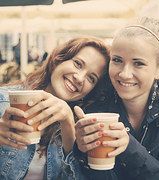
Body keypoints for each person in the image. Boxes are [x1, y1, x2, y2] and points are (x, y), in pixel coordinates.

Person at [74, 17, 159, 180]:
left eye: (138, 63)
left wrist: (130, 148)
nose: (124, 73)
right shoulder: (96, 107)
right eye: (117, 60)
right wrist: (82, 151)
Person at [0, 36, 110, 180]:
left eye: (91, 78)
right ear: (58, 59)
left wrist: (68, 123)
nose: (80, 78)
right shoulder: (4, 100)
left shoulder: (84, 128)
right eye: (78, 64)